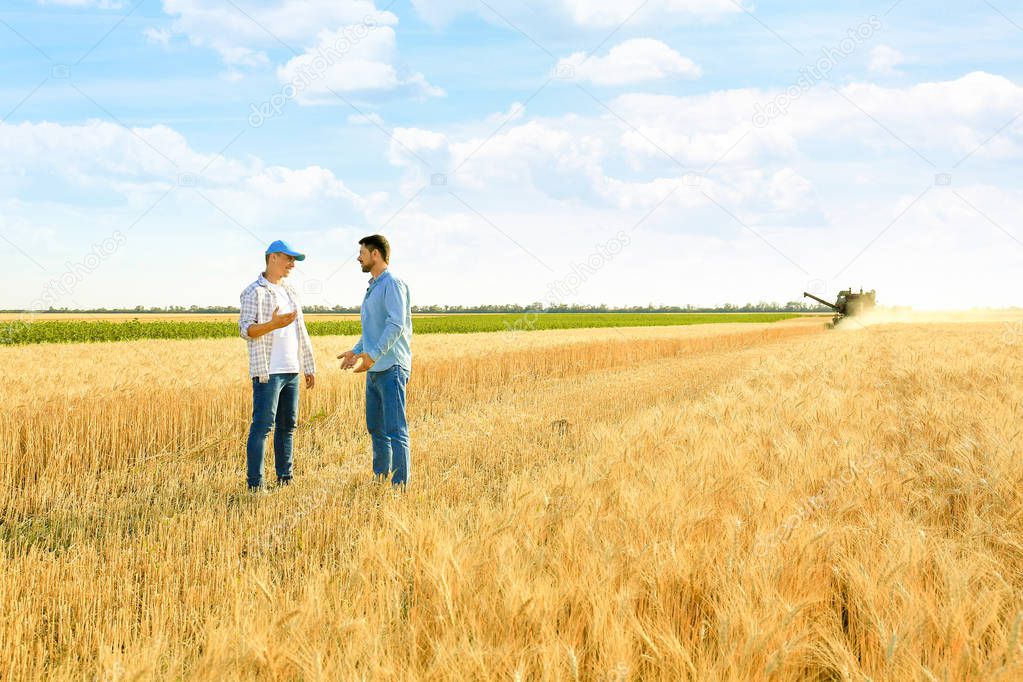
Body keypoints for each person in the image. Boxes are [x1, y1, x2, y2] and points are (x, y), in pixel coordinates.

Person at [238, 240, 316, 491]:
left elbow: (301, 331)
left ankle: (285, 479)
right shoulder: (254, 292)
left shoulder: (291, 292)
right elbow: (246, 330)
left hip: (292, 369)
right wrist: (273, 324)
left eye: (294, 260)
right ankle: (255, 485)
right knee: (262, 427)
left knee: (288, 426)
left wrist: (308, 365)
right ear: (272, 258)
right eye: (288, 259)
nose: (292, 264)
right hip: (268, 372)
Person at [338, 235, 412, 487]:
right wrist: (356, 351)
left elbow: (395, 325)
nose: (359, 257)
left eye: (362, 252)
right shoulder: (374, 286)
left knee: (395, 430)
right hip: (374, 368)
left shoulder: (392, 284)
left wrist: (373, 355)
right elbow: (373, 330)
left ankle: (399, 487)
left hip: (391, 367)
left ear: (375, 254)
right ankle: (381, 479)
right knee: (376, 429)